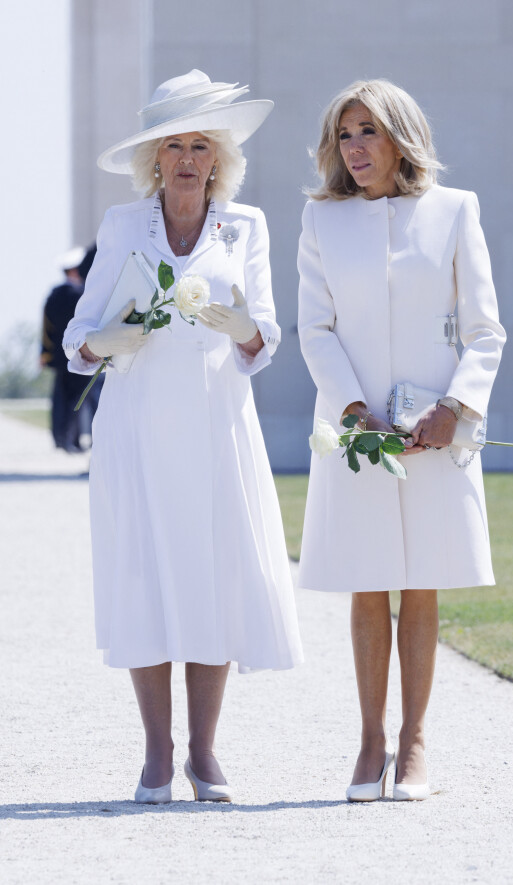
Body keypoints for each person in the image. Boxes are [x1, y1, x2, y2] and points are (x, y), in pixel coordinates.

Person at [63, 69, 303, 804]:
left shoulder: (247, 225)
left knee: (213, 584)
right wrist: (107, 338)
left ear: (218, 158)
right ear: (155, 158)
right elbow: (77, 340)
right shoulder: (121, 226)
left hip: (215, 428)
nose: (189, 158)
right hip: (137, 430)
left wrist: (244, 329)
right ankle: (156, 754)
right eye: (176, 145)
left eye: (202, 145)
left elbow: (267, 335)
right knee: (144, 581)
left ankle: (204, 752)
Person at [297, 79, 506, 802]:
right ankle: (369, 741)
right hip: (359, 433)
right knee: (366, 580)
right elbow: (316, 330)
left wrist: (457, 406)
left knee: (421, 583)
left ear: (401, 137)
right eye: (345, 134)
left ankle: (415, 740)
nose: (355, 147)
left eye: (369, 132)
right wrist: (353, 409)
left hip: (433, 434)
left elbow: (485, 329)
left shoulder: (453, 211)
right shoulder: (322, 221)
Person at [41, 246, 97, 452]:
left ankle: (60, 438)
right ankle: (71, 440)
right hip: (78, 352)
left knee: (60, 397)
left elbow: (46, 326)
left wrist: (44, 352)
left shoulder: (54, 294)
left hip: (57, 355)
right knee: (79, 398)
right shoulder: (82, 294)